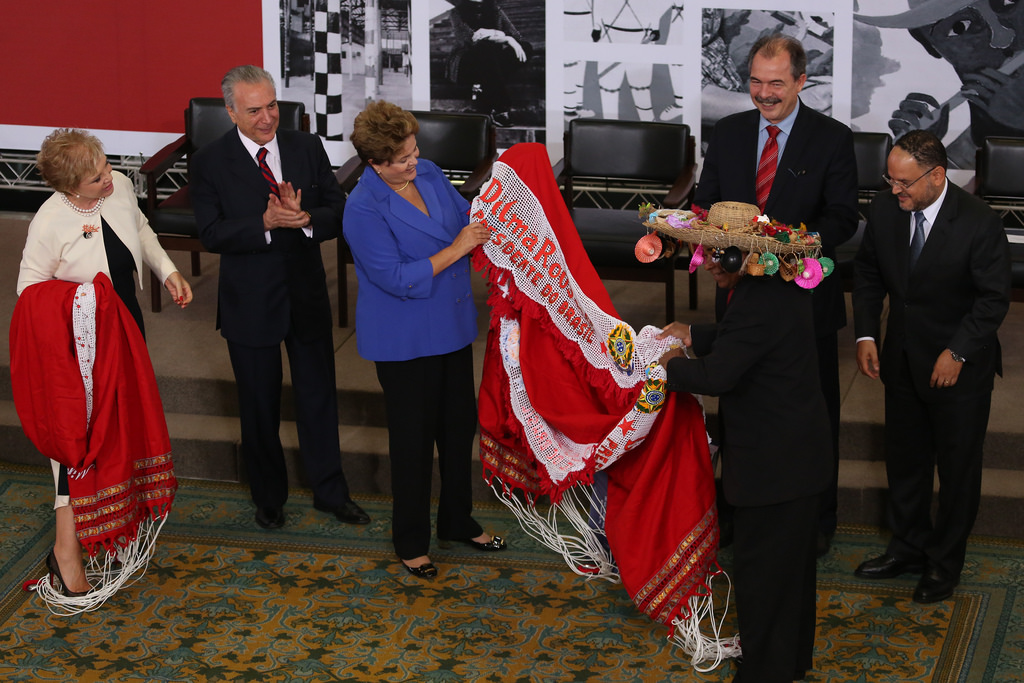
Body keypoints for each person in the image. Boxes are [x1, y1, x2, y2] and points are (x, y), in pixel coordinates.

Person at [694, 33, 858, 556]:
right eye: (756, 83)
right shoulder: (729, 131)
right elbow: (706, 203)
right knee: (738, 409)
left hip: (804, 304)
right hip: (737, 300)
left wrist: (786, 245)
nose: (764, 94)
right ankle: (737, 514)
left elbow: (843, 217)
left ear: (801, 82)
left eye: (776, 84)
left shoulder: (832, 138)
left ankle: (818, 518)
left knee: (812, 417)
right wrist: (723, 253)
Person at [657, 202, 833, 683]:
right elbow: (744, 339)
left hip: (774, 467)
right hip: (799, 457)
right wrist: (694, 332)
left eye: (716, 256)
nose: (707, 263)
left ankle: (763, 673)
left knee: (762, 577)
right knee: (792, 576)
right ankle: (788, 663)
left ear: (741, 256)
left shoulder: (755, 303)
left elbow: (716, 376)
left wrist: (670, 359)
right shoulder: (776, 287)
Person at [16, 128, 192, 598]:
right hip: (77, 350)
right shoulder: (49, 221)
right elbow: (28, 293)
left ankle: (108, 533)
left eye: (107, 167)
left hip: (126, 334)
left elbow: (138, 229)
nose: (110, 179)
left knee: (123, 435)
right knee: (78, 449)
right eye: (97, 178)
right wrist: (82, 303)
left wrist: (168, 270)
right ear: (70, 187)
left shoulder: (119, 191)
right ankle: (67, 551)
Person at [191, 65, 368, 530]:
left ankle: (331, 492)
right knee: (258, 406)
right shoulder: (210, 161)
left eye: (272, 106)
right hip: (250, 305)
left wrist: (306, 218)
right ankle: (268, 498)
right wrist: (265, 225)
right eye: (254, 110)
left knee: (318, 400)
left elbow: (338, 211)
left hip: (306, 296)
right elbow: (210, 233)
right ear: (231, 112)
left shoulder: (305, 147)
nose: (267, 118)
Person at [343, 100, 506, 578]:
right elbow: (395, 278)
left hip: (452, 325)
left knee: (457, 432)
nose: (415, 162)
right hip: (404, 338)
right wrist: (459, 248)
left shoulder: (429, 172)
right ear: (375, 162)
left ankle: (457, 521)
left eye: (415, 151)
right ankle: (410, 540)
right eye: (402, 159)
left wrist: (504, 212)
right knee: (412, 444)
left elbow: (464, 215)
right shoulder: (362, 207)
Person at [851, 129, 1011, 603]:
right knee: (905, 463)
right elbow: (867, 273)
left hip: (960, 369)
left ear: (937, 176)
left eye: (904, 183)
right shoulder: (885, 209)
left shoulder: (979, 222)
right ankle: (907, 548)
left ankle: (944, 565)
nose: (894, 190)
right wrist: (865, 333)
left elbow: (992, 299)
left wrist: (958, 350)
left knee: (957, 471)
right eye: (890, 180)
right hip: (901, 360)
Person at [856, 0, 1024, 168]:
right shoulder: (951, 164)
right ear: (927, 42)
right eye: (960, 27)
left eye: (1007, 4)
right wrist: (917, 157)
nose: (1002, 38)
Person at [444, 0, 530, 127]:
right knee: (485, 48)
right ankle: (500, 109)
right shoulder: (457, 12)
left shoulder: (495, 10)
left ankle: (486, 89)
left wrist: (502, 36)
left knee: (526, 47)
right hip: (466, 62)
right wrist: (503, 37)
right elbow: (470, 39)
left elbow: (516, 35)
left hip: (491, 61)